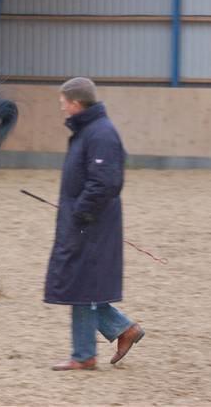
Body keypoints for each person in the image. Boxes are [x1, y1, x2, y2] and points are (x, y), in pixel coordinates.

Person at [45, 77, 145, 371]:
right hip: (86, 221)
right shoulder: (90, 131)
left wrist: (79, 213)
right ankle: (121, 331)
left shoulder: (100, 134)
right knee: (81, 284)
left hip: (91, 224)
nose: (62, 107)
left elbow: (104, 183)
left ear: (76, 102)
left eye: (64, 101)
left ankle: (84, 354)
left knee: (81, 285)